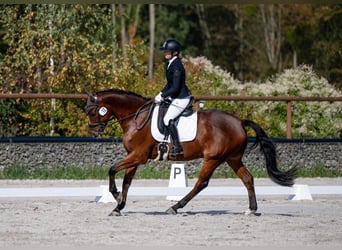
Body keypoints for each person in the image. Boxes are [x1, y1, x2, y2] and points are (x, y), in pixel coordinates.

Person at [154, 39, 191, 157]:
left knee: (167, 119)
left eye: (167, 51)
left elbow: (175, 88)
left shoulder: (177, 66)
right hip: (175, 97)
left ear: (174, 52)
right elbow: (169, 84)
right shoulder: (170, 64)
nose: (165, 53)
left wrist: (164, 96)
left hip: (181, 98)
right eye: (164, 51)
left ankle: (177, 146)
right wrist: (161, 93)